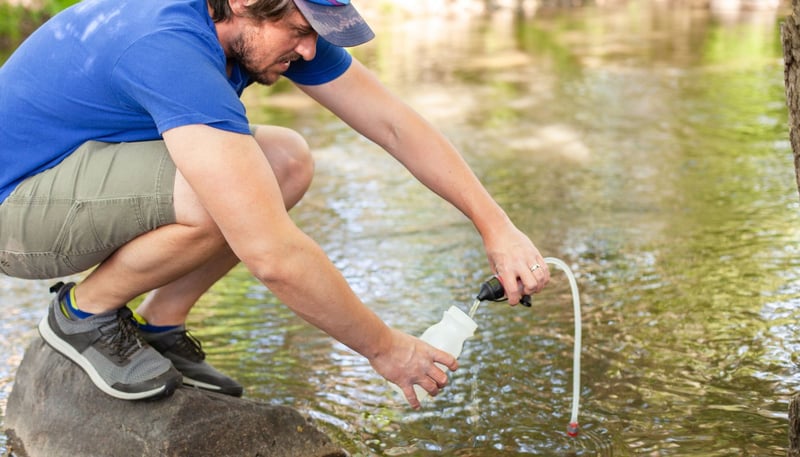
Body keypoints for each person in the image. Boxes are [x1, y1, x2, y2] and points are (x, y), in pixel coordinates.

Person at [0, 0, 550, 407]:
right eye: (301, 31)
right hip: (15, 213)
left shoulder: (257, 26)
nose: (310, 49)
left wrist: (494, 225)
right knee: (224, 195)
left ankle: (160, 324)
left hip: (71, 178)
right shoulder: (169, 45)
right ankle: (83, 314)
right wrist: (385, 349)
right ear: (244, 4)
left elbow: (394, 125)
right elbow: (272, 255)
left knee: (286, 158)